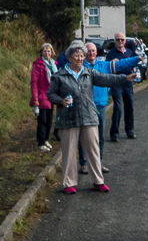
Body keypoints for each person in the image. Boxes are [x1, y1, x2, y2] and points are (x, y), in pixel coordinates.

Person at [48, 41, 135, 194]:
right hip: (68, 118)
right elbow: (50, 94)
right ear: (69, 57)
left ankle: (98, 181)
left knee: (93, 150)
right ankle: (69, 183)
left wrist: (125, 78)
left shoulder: (88, 72)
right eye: (77, 56)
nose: (80, 59)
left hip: (88, 116)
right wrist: (60, 101)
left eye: (82, 56)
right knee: (68, 152)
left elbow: (106, 78)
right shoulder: (59, 76)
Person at [78, 42, 140, 175]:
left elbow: (120, 64)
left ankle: (98, 162)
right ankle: (83, 163)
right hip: (85, 106)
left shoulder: (102, 65)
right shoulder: (80, 67)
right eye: (88, 51)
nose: (92, 53)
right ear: (84, 53)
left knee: (100, 137)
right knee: (84, 137)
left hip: (101, 105)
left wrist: (136, 59)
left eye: (93, 51)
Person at [105, 32, 142, 140]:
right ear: (114, 41)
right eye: (118, 40)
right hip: (116, 83)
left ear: (125, 41)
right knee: (118, 107)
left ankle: (130, 130)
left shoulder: (130, 52)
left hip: (128, 82)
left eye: (122, 40)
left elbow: (134, 64)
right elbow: (107, 67)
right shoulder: (111, 53)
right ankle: (114, 133)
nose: (120, 42)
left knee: (129, 106)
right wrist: (112, 63)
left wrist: (135, 71)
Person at [29, 43, 57, 152]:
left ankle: (46, 139)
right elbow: (34, 83)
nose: (47, 53)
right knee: (43, 120)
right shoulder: (37, 65)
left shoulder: (54, 64)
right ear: (41, 52)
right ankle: (41, 143)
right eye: (44, 51)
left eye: (49, 51)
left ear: (52, 52)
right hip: (42, 96)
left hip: (52, 96)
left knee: (50, 120)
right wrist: (35, 99)